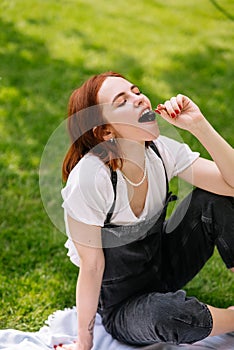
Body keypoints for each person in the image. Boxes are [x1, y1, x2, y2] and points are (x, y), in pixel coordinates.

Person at [59, 72, 234, 350]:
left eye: (136, 91)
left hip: (165, 266)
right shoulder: (91, 179)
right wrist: (84, 342)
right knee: (167, 315)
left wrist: (199, 126)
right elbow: (92, 267)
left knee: (216, 198)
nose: (139, 99)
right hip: (124, 306)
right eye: (122, 101)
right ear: (106, 132)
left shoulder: (161, 151)